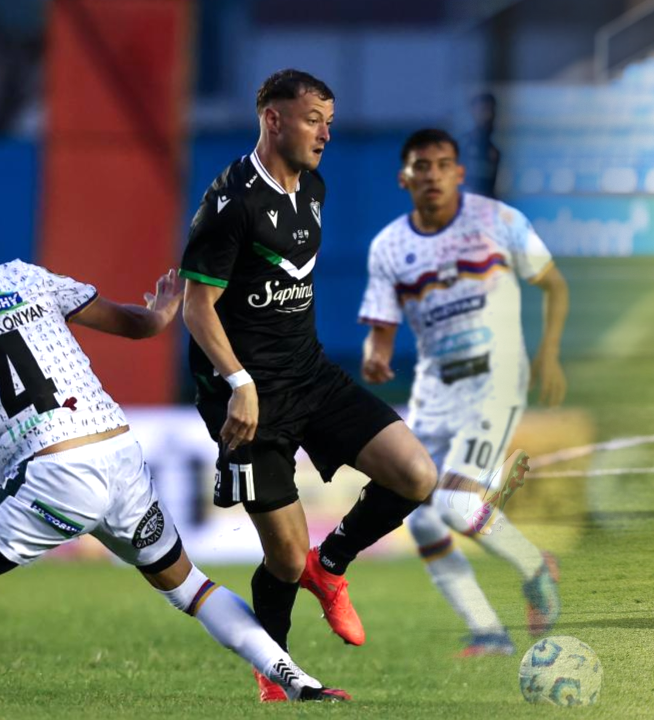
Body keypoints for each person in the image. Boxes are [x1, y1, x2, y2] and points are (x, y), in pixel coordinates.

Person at [0, 230, 347, 702]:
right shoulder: (22, 277)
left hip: (53, 476)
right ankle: (298, 680)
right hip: (120, 460)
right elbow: (140, 325)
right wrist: (162, 311)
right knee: (191, 588)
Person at [179, 69, 436, 700]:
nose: (326, 132)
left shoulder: (314, 187)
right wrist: (239, 381)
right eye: (313, 118)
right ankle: (277, 672)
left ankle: (335, 564)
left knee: (415, 475)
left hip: (310, 374)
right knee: (284, 560)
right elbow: (196, 307)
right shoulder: (230, 202)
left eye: (329, 119)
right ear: (273, 119)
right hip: (247, 398)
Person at [358, 128, 568, 656]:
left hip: (495, 377)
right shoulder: (388, 246)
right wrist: (375, 355)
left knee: (452, 501)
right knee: (424, 519)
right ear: (404, 176)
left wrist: (547, 354)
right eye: (421, 166)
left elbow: (554, 284)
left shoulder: (497, 221)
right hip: (433, 393)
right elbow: (381, 331)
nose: (432, 175)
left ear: (459, 172)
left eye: (442, 164)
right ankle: (488, 631)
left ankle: (535, 566)